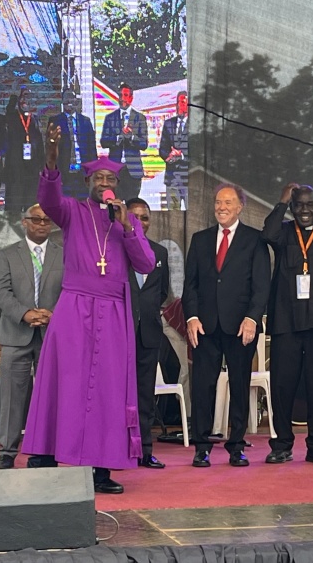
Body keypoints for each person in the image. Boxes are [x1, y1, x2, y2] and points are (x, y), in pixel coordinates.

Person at [21, 129, 155, 495]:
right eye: (100, 179)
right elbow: (48, 199)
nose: (106, 184)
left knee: (108, 390)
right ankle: (45, 455)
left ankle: (101, 468)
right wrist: (51, 158)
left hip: (112, 313)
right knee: (64, 380)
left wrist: (128, 226)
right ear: (88, 183)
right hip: (75, 307)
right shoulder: (73, 212)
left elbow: (145, 263)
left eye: (111, 179)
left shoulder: (124, 220)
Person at [183, 184, 271, 468]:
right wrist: (191, 317)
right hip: (206, 326)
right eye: (218, 202)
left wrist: (252, 318)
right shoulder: (199, 239)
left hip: (240, 326)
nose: (221, 207)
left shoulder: (255, 240)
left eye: (228, 202)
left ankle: (236, 446)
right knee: (203, 386)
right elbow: (191, 285)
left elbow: (261, 287)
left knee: (240, 384)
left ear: (240, 206)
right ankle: (201, 446)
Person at [261, 183, 313, 466]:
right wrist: (282, 201)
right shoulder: (283, 233)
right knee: (283, 387)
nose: (305, 210)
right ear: (292, 208)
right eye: (299, 205)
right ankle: (282, 444)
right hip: (286, 323)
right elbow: (267, 233)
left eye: (310, 205)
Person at [0, 204, 63, 469]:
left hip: (52, 335)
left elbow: (70, 291)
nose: (42, 224)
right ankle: (7, 451)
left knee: (50, 397)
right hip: (15, 334)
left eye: (47, 220)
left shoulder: (63, 255)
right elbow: (1, 292)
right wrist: (25, 314)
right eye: (36, 220)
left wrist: (52, 315)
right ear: (24, 222)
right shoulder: (7, 254)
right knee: (11, 397)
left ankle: (46, 450)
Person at [126, 198, 170, 469]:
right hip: (120, 333)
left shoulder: (160, 253)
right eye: (135, 217)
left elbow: (161, 293)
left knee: (145, 397)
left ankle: (144, 450)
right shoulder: (116, 250)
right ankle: (117, 449)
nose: (140, 223)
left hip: (149, 334)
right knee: (118, 395)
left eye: (145, 217)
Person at [100, 83, 147, 201]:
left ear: (131, 98)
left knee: (132, 208)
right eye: (120, 95)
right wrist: (118, 138)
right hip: (115, 171)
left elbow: (144, 144)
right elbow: (103, 141)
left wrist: (131, 137)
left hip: (133, 172)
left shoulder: (140, 118)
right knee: (115, 206)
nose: (122, 98)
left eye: (125, 95)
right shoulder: (110, 118)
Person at [48, 91, 97, 199]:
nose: (69, 101)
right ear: (62, 101)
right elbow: (50, 149)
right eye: (66, 98)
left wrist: (93, 172)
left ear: (76, 100)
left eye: (71, 98)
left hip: (82, 172)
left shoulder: (85, 121)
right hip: (65, 172)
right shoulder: (55, 121)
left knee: (83, 205)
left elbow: (92, 149)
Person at [4, 86, 44, 212]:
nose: (26, 100)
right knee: (14, 207)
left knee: (31, 207)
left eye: (29, 97)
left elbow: (40, 145)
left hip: (32, 171)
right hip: (16, 170)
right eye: (24, 96)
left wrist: (41, 167)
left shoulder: (35, 120)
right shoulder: (14, 117)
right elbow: (8, 111)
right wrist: (14, 97)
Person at [158, 90, 189, 210]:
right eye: (178, 102)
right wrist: (169, 155)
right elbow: (162, 149)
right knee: (173, 217)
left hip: (189, 180)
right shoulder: (168, 124)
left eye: (183, 102)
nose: (179, 105)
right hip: (172, 180)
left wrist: (181, 155)